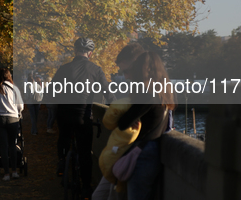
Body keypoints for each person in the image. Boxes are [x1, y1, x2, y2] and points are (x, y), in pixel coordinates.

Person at [52, 37, 115, 199]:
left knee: (64, 137)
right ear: (91, 53)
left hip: (64, 114)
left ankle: (62, 160)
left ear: (75, 51)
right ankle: (87, 188)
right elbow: (108, 95)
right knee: (85, 152)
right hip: (83, 116)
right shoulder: (96, 70)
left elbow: (50, 92)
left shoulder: (64, 68)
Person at [116, 51, 175, 200]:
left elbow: (123, 123)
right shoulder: (164, 92)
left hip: (144, 151)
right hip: (155, 147)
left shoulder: (147, 94)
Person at [92, 42, 146, 200]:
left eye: (127, 71)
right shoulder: (138, 87)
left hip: (130, 156)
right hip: (123, 154)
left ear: (138, 63)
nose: (126, 76)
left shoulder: (147, 89)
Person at [0, 67, 24, 181]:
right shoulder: (15, 89)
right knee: (12, 144)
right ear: (9, 76)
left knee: (3, 145)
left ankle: (6, 173)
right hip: (12, 118)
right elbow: (20, 106)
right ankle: (14, 171)